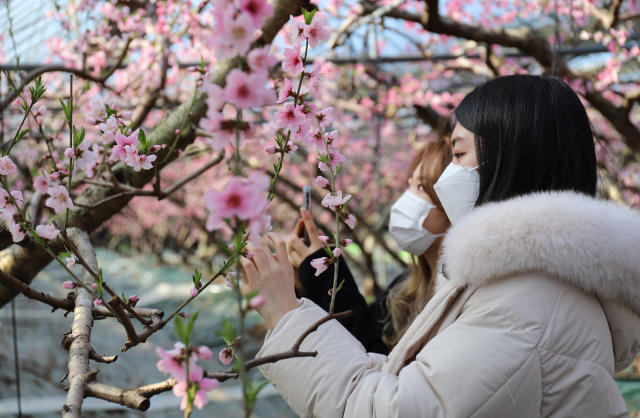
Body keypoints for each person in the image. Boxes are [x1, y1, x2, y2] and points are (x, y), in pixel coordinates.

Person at [240, 74, 640, 417]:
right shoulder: (519, 292)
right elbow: (422, 382)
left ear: (509, 158)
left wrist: (287, 314)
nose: (448, 174)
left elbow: (388, 409)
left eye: (459, 153)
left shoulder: (524, 306)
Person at [287, 139, 451, 354]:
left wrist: (326, 275)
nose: (407, 199)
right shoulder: (404, 289)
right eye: (408, 185)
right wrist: (304, 283)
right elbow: (365, 328)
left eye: (421, 187)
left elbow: (367, 359)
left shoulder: (457, 304)